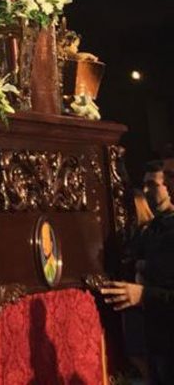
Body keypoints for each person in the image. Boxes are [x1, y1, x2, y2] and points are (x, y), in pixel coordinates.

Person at [103, 162, 174, 384]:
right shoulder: (153, 229)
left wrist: (143, 295)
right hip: (156, 340)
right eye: (144, 185)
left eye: (153, 184)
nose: (146, 191)